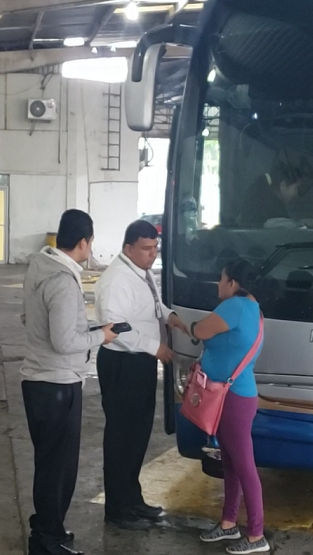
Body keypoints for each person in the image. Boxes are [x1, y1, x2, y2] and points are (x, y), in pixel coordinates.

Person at [21, 209, 118, 555]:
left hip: (39, 380)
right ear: (83, 243)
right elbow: (64, 342)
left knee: (50, 463)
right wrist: (101, 337)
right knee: (58, 469)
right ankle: (47, 541)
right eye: (90, 243)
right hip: (57, 384)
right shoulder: (62, 281)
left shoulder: (40, 265)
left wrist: (87, 331)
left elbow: (32, 319)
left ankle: (48, 528)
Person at [93, 220, 188, 530]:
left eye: (155, 248)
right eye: (146, 249)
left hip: (142, 363)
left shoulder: (141, 272)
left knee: (138, 436)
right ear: (128, 248)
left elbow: (151, 303)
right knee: (122, 438)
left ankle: (133, 499)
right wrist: (153, 347)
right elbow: (116, 327)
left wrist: (168, 315)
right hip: (123, 364)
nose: (153, 255)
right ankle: (117, 509)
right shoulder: (116, 280)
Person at [189, 259, 268, 555]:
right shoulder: (254, 309)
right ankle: (228, 523)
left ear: (233, 283)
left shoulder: (235, 307)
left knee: (244, 465)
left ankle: (256, 534)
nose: (218, 285)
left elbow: (200, 330)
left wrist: (190, 326)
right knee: (231, 462)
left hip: (232, 398)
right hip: (236, 396)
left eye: (221, 279)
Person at [238, 162, 304, 228]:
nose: (296, 194)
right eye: (296, 188)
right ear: (283, 185)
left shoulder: (257, 198)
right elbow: (287, 230)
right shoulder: (275, 210)